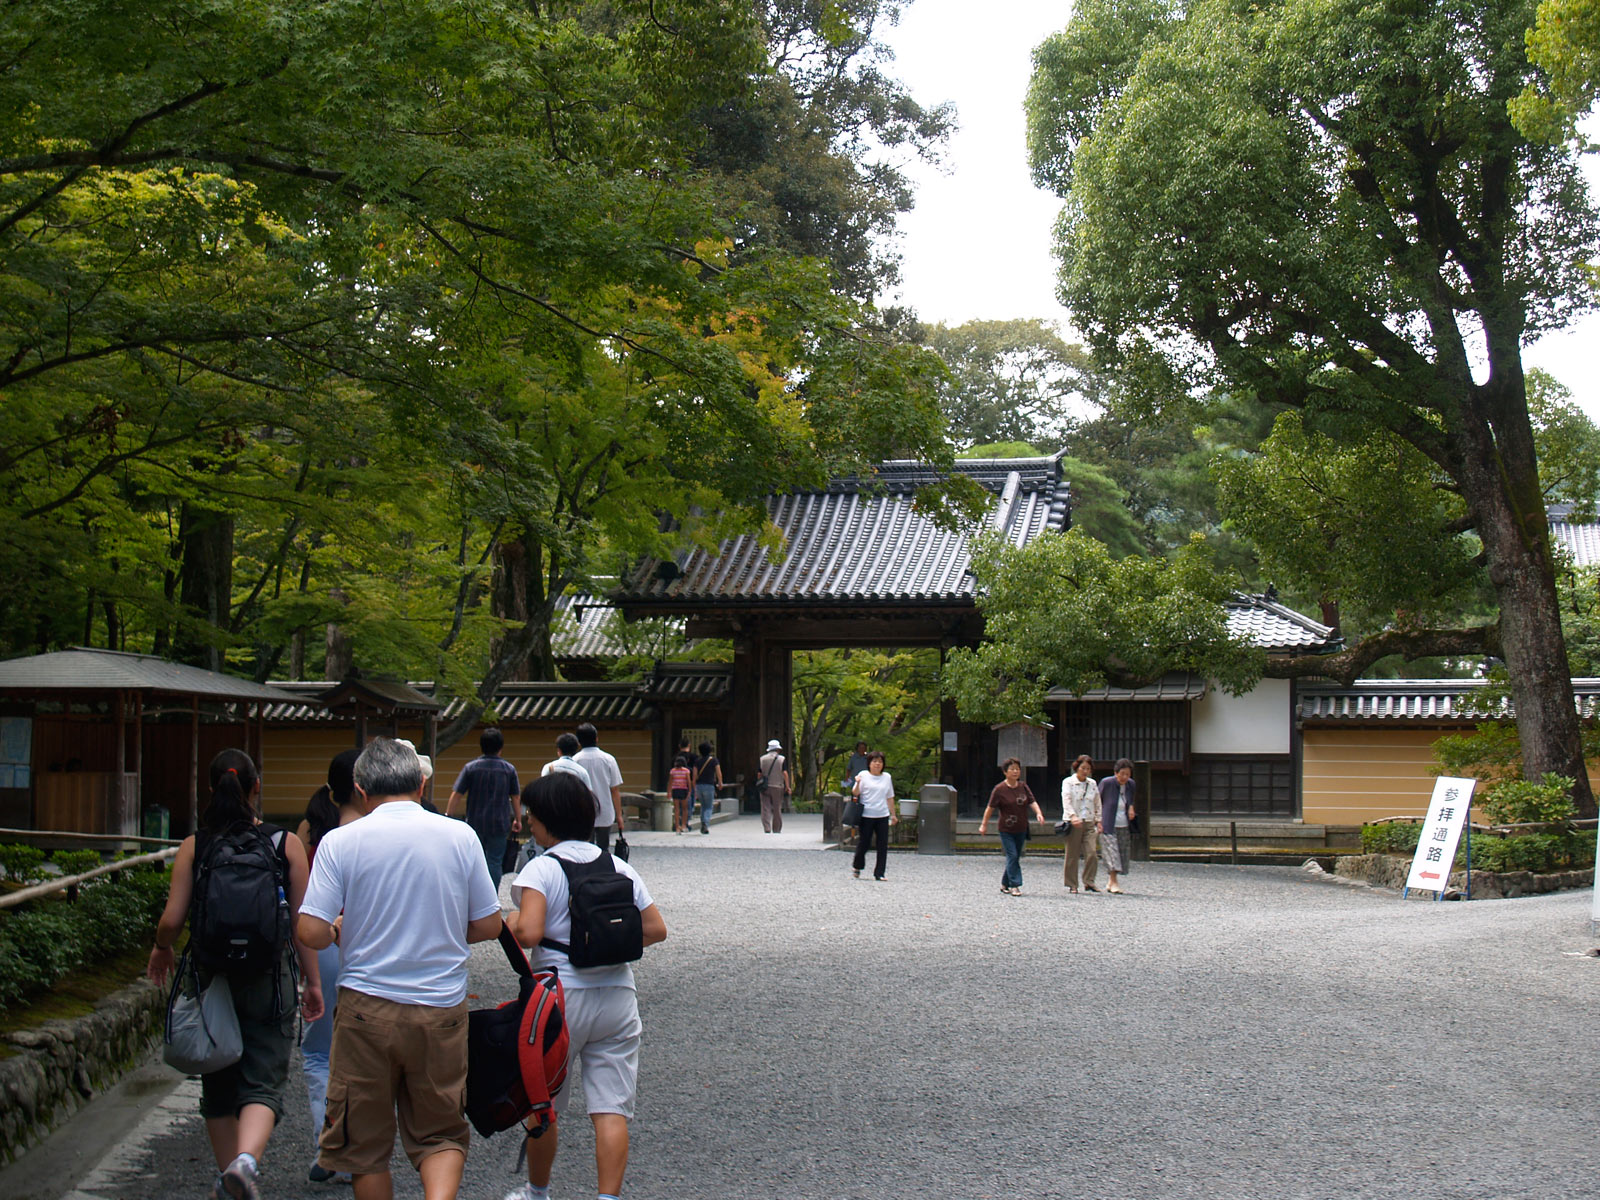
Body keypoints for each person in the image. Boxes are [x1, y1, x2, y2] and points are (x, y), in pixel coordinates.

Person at [297, 737, 502, 1200]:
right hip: (441, 1008)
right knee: (441, 1133)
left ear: (360, 790)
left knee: (364, 1147)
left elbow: (309, 930)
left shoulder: (340, 842)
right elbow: (489, 923)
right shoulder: (460, 836)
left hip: (365, 1010)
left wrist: (338, 930)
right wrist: (443, 928)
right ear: (421, 784)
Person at [148, 749, 324, 1200]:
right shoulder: (284, 844)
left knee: (219, 1083)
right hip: (269, 978)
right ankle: (245, 1164)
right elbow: (302, 924)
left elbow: (171, 920)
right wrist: (313, 982)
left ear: (211, 789)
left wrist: (162, 947)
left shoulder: (196, 845)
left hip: (213, 978)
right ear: (256, 787)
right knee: (263, 1082)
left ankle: (230, 1176)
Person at [504, 772, 668, 1200]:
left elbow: (529, 932)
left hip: (559, 1000)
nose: (530, 821)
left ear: (548, 820)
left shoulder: (542, 868)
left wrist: (512, 920)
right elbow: (656, 929)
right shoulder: (618, 866)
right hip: (617, 995)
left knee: (544, 1105)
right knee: (611, 1108)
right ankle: (607, 1197)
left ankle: (538, 1192)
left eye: (533, 815)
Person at [295, 749, 363, 1185]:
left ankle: (330, 1142)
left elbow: (304, 908)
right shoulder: (381, 835)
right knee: (363, 1053)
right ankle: (355, 1146)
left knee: (320, 1051)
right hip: (372, 951)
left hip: (325, 947)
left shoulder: (314, 832)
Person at [445, 727, 521, 889]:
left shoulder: (471, 768)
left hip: (475, 822)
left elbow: (457, 794)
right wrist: (518, 819)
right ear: (500, 747)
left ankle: (474, 893)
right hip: (500, 823)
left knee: (473, 860)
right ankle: (491, 895)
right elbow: (515, 796)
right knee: (494, 861)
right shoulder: (509, 769)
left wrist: (448, 815)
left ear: (481, 746)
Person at [978, 757, 1045, 895]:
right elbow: (990, 808)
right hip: (1006, 829)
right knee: (1012, 855)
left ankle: (1004, 883)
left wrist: (1038, 813)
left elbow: (1032, 801)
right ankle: (1015, 885)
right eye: (1012, 769)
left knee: (1014, 857)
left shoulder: (1023, 786)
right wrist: (984, 824)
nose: (1015, 772)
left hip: (1021, 827)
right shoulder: (999, 789)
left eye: (1017, 769)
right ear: (1005, 772)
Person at [572, 723, 623, 852]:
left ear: (579, 741)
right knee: (603, 848)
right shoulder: (609, 759)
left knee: (585, 849)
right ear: (596, 738)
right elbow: (615, 790)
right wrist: (619, 815)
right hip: (605, 810)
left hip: (583, 811)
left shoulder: (575, 760)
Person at [849, 751, 898, 881]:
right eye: (874, 761)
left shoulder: (887, 777)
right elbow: (855, 793)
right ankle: (857, 866)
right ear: (869, 763)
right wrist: (857, 782)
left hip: (882, 814)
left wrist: (893, 815)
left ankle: (879, 873)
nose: (877, 764)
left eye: (880, 762)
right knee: (864, 843)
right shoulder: (863, 775)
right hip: (866, 814)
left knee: (882, 845)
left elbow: (890, 797)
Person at [1060, 754, 1101, 894]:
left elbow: (1097, 802)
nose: (1085, 771)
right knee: (1072, 854)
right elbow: (1066, 800)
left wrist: (1099, 819)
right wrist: (1072, 816)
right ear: (1077, 768)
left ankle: (1089, 881)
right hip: (1074, 822)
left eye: (1088, 769)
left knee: (1092, 853)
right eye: (1083, 768)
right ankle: (1072, 883)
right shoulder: (1068, 782)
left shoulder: (1092, 784)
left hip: (1089, 821)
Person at [1098, 758, 1138, 894]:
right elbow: (1097, 801)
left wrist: (1131, 807)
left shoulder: (1131, 785)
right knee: (1112, 853)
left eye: (1128, 774)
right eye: (1122, 774)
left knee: (1122, 853)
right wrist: (1098, 820)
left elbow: (1130, 800)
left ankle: (1110, 882)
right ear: (1115, 773)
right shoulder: (1106, 783)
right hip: (1108, 823)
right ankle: (1114, 882)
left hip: (1124, 824)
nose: (1125, 777)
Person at [756, 739, 791, 834]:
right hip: (778, 786)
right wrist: (787, 786)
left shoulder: (762, 759)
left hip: (765, 786)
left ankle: (767, 828)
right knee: (777, 808)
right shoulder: (781, 759)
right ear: (778, 749)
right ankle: (776, 829)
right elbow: (785, 773)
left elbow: (759, 774)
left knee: (765, 807)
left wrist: (760, 782)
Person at [693, 740, 721, 835]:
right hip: (709, 785)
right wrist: (720, 782)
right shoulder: (714, 760)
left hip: (699, 786)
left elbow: (694, 775)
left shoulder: (697, 761)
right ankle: (705, 822)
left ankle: (703, 822)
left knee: (703, 805)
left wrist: (694, 787)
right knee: (709, 806)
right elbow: (718, 772)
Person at [667, 754, 693, 834]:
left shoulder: (672, 771)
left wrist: (669, 792)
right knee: (685, 809)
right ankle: (684, 825)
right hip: (683, 790)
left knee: (676, 809)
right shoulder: (686, 771)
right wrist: (690, 791)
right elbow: (688, 782)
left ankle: (677, 827)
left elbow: (670, 782)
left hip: (675, 790)